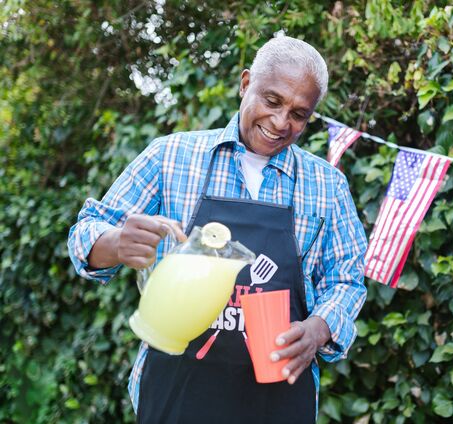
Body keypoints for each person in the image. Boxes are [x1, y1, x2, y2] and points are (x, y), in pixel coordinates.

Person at [68, 35, 367, 423]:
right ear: (245, 84)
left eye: (299, 114)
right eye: (272, 101)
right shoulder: (171, 156)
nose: (280, 123)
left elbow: (346, 279)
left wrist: (318, 328)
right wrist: (116, 243)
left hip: (277, 403)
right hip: (176, 393)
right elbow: (86, 232)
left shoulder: (326, 184)